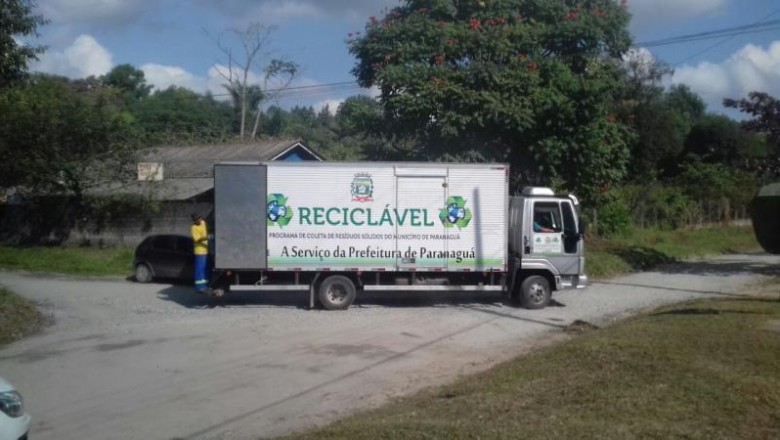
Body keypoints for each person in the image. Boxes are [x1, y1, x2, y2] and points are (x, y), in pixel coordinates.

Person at [190, 213, 209, 292]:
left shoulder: (203, 222)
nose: (199, 220)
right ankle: (199, 287)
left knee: (205, 269)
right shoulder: (193, 228)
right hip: (199, 251)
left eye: (200, 218)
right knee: (200, 269)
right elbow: (197, 239)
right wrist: (207, 237)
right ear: (194, 221)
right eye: (197, 219)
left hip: (206, 250)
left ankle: (205, 285)